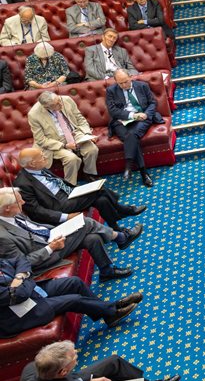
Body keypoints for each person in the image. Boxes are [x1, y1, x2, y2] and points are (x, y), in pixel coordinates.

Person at [0, 187, 139, 282]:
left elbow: (36, 227)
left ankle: (106, 271)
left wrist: (60, 229)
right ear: (7, 208)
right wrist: (51, 247)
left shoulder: (13, 214)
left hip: (51, 237)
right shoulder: (3, 237)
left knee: (92, 238)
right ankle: (121, 238)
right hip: (46, 255)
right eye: (19, 202)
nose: (23, 203)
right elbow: (23, 263)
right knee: (87, 223)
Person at [0, 255, 141, 338]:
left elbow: (20, 259)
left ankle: (108, 314)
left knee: (75, 282)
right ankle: (113, 310)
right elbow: (21, 294)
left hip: (32, 291)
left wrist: (20, 276)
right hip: (19, 313)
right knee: (75, 299)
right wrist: (26, 279)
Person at [15, 146, 145, 232]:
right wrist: (64, 217)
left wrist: (75, 190)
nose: (45, 157)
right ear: (32, 163)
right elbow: (36, 211)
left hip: (67, 194)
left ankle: (116, 229)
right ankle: (123, 209)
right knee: (99, 190)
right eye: (42, 157)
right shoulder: (22, 184)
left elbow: (58, 183)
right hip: (58, 206)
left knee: (102, 199)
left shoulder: (38, 168)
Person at [14, 340, 179, 381]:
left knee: (114, 362)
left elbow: (66, 378)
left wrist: (88, 380)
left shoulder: (33, 367)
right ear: (63, 371)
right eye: (75, 359)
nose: (77, 358)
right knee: (113, 380)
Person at [27, 91, 99, 186]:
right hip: (54, 141)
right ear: (47, 107)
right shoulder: (34, 114)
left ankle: (89, 174)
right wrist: (65, 145)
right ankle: (70, 185)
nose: (61, 103)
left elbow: (80, 119)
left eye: (59, 100)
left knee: (92, 149)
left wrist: (87, 134)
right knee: (72, 159)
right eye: (57, 104)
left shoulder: (66, 100)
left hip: (74, 133)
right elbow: (41, 140)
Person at [107, 69, 164, 185]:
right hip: (121, 121)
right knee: (133, 137)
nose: (124, 85)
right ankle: (144, 174)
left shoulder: (142, 86)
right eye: (120, 83)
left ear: (130, 76)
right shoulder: (111, 91)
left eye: (126, 82)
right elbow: (113, 111)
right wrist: (132, 115)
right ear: (116, 81)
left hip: (142, 118)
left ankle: (129, 165)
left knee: (131, 135)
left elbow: (152, 103)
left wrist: (146, 114)